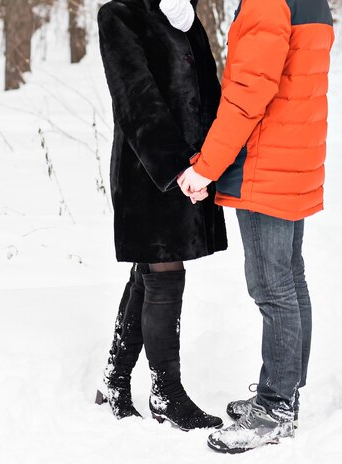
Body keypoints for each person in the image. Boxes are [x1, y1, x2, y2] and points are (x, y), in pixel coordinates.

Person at [178, 0, 334, 453]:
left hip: (268, 163)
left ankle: (275, 409)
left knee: (272, 287)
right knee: (290, 279)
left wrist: (206, 167)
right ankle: (284, 394)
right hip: (295, 157)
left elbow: (248, 93)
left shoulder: (266, 3)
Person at [95, 0, 228, 431]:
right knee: (165, 273)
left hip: (195, 167)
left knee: (148, 273)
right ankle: (166, 393)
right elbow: (135, 98)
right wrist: (178, 167)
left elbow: (209, 89)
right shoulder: (119, 14)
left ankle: (114, 378)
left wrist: (211, 161)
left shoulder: (184, 14)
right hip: (149, 173)